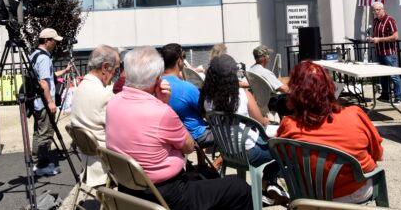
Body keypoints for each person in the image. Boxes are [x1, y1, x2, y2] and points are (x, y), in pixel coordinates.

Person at [106, 47, 253, 210]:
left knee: (208, 178)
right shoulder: (161, 112)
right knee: (240, 188)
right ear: (157, 79)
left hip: (128, 188)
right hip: (167, 194)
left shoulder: (113, 103)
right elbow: (189, 146)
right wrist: (164, 104)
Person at [277, 60, 384, 203]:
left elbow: (282, 158)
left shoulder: (289, 124)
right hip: (354, 193)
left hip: (310, 195)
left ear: (295, 92)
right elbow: (377, 154)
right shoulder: (355, 114)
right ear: (330, 88)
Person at [200, 54, 288, 205]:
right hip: (251, 152)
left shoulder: (206, 99)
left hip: (228, 152)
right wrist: (268, 120)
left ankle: (267, 188)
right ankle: (267, 181)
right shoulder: (242, 94)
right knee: (286, 149)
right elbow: (261, 121)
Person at [70, 45, 119, 186]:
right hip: (106, 162)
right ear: (105, 68)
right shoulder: (105, 95)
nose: (114, 74)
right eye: (115, 70)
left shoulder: (80, 88)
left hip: (87, 157)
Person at [30, 28, 71, 176]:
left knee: (39, 132)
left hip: (37, 102)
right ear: (47, 41)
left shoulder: (35, 55)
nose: (56, 44)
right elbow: (43, 82)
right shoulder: (44, 58)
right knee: (45, 133)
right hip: (44, 102)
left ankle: (37, 161)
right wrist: (50, 101)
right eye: (54, 41)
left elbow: (49, 76)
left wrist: (65, 71)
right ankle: (41, 165)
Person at [160, 43, 212, 148]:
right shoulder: (187, 88)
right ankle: (217, 163)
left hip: (168, 136)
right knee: (229, 132)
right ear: (179, 61)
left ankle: (201, 163)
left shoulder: (155, 84)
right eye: (183, 58)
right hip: (194, 136)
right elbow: (206, 111)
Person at [368, 1, 401, 103]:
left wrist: (379, 40)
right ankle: (385, 95)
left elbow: (395, 36)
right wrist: (372, 39)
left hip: (389, 53)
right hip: (379, 52)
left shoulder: (390, 20)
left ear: (383, 9)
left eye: (378, 10)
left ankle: (399, 97)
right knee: (382, 75)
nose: (376, 12)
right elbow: (377, 36)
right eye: (374, 10)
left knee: (394, 75)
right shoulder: (375, 21)